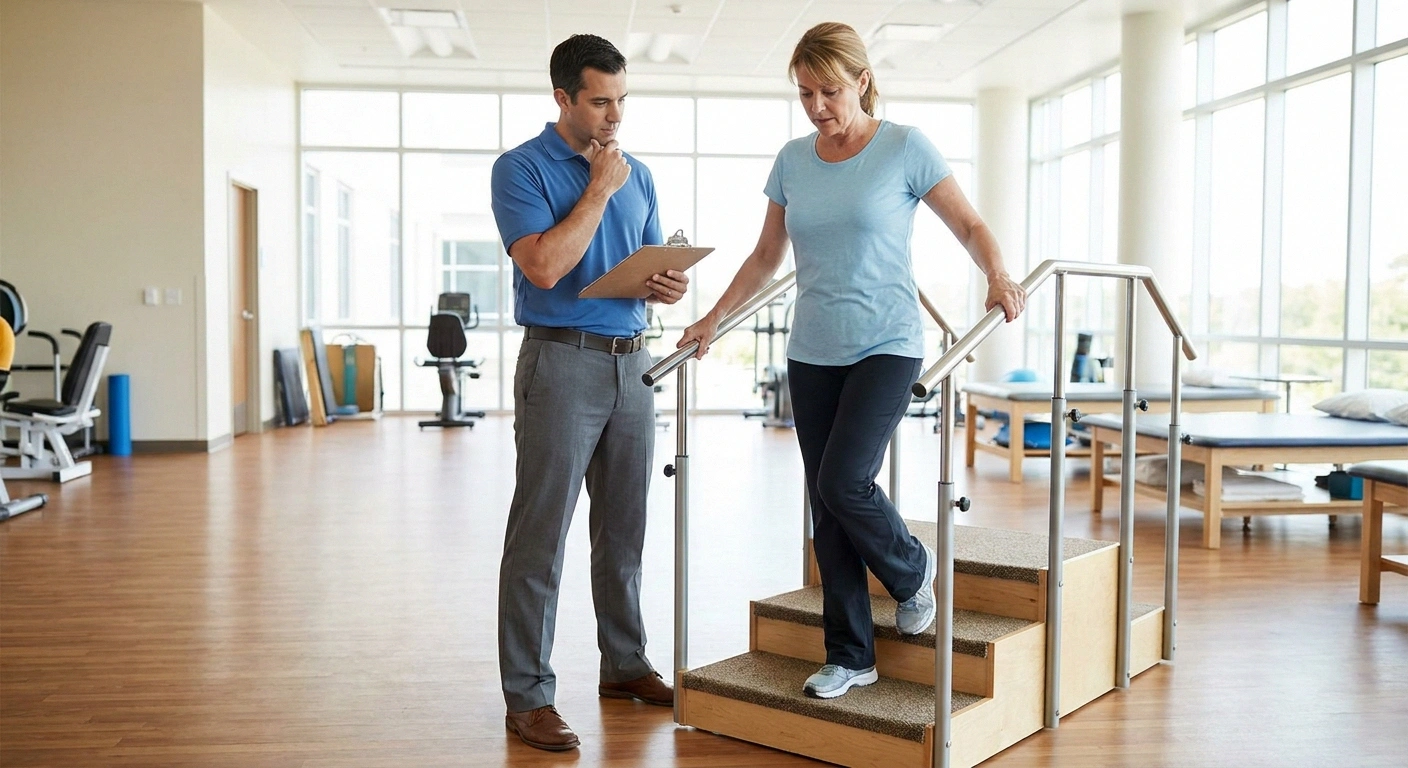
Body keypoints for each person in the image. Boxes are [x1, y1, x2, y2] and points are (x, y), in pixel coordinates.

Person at [677, 22, 1026, 700]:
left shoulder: (903, 147)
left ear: (862, 81)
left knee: (844, 480)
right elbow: (766, 257)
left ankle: (909, 568)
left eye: (828, 91)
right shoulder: (792, 159)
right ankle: (851, 655)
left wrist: (998, 275)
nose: (816, 107)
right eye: (804, 93)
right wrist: (713, 317)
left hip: (887, 344)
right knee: (825, 506)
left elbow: (971, 225)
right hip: (813, 351)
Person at [490, 33, 690, 752]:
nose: (614, 116)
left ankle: (625, 663)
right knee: (540, 536)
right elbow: (544, 267)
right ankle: (528, 696)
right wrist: (597, 188)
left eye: (621, 100)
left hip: (633, 364)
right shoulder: (521, 169)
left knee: (624, 530)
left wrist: (666, 283)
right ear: (563, 98)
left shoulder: (638, 174)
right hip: (561, 363)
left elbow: (639, 264)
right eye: (600, 101)